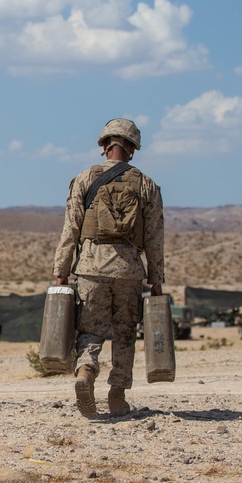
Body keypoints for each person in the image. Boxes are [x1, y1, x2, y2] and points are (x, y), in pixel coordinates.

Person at [52, 118, 165, 418]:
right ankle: (117, 395)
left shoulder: (84, 179)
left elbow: (70, 229)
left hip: (90, 267)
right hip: (128, 270)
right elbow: (154, 237)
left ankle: (86, 371)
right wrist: (156, 280)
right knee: (125, 332)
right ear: (133, 149)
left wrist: (61, 270)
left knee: (90, 329)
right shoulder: (147, 185)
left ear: (104, 146)